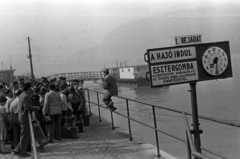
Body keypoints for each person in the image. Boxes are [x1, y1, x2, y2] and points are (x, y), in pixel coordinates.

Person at [14, 82, 40, 157]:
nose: (31, 90)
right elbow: (27, 107)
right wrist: (36, 108)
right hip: (24, 117)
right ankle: (22, 152)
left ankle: (17, 149)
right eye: (30, 88)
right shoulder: (25, 96)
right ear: (28, 89)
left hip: (21, 116)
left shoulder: (22, 95)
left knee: (23, 134)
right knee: (25, 135)